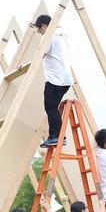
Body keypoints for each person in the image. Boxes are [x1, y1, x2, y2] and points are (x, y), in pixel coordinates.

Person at [34, 14, 73, 148]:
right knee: (53, 107)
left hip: (55, 79)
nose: (40, 33)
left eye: (40, 30)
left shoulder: (49, 36)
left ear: (44, 26)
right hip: (66, 80)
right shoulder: (62, 35)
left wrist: (26, 65)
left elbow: (40, 55)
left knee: (50, 107)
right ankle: (59, 137)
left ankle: (56, 136)